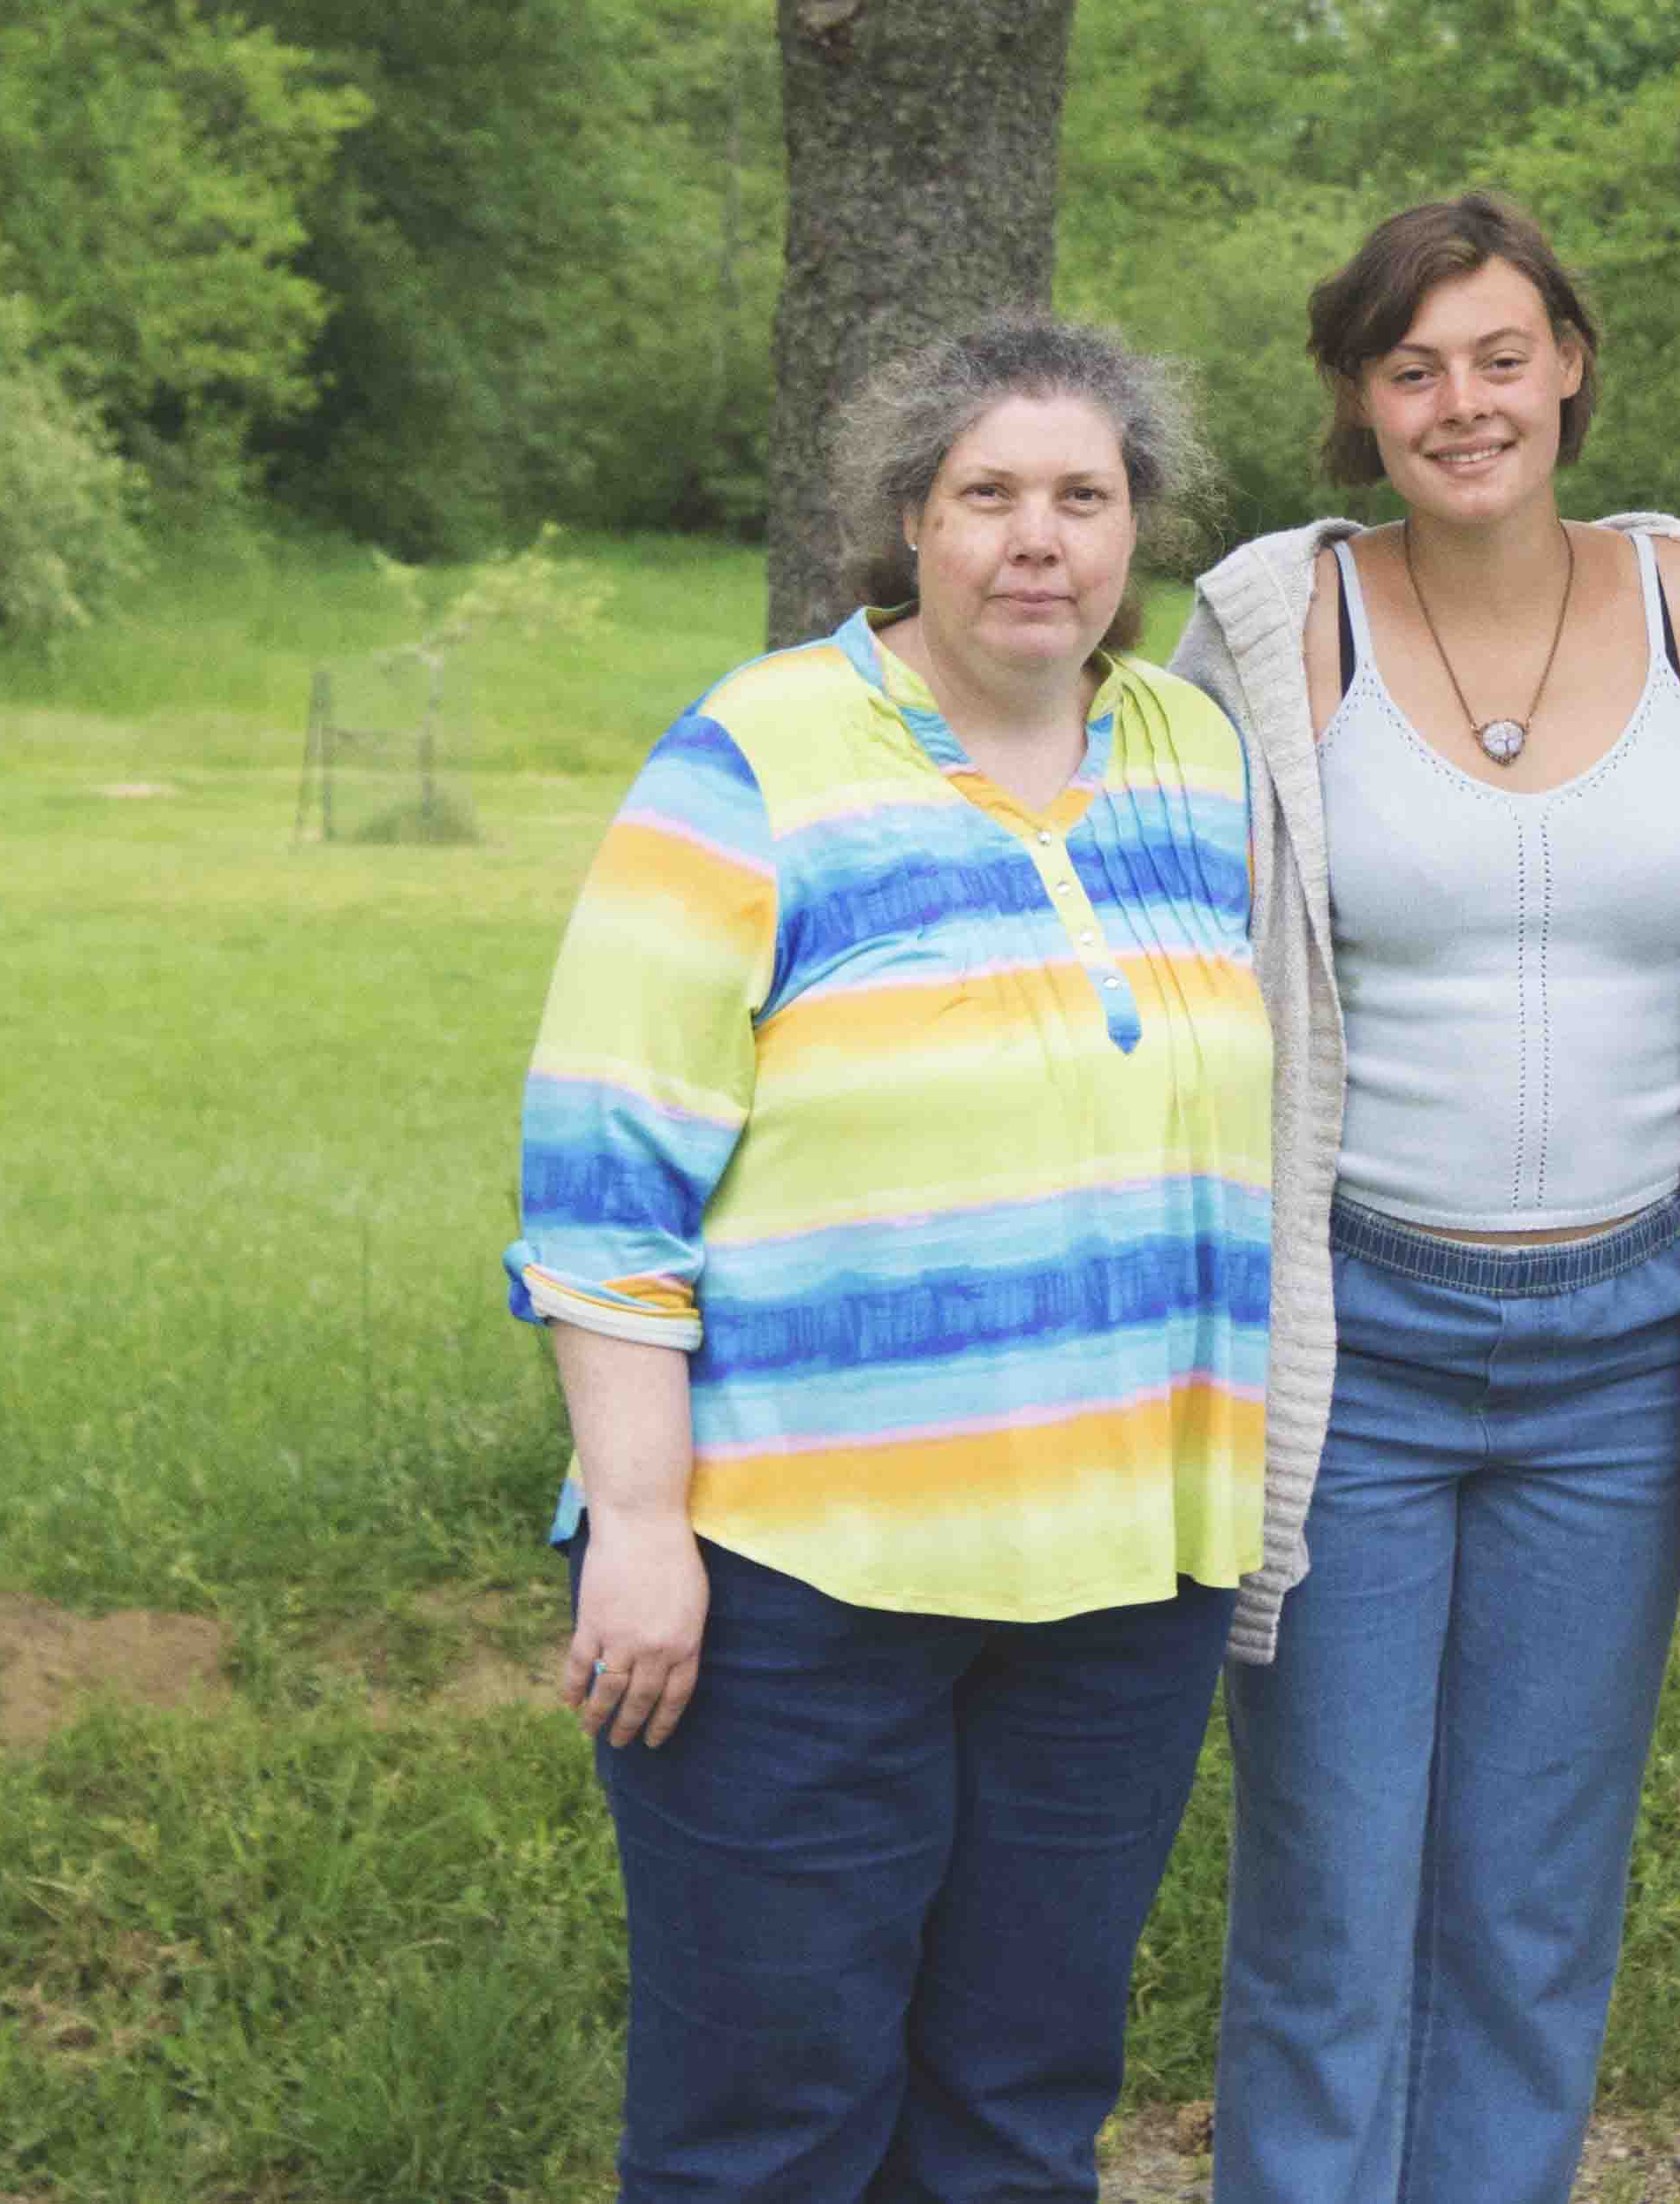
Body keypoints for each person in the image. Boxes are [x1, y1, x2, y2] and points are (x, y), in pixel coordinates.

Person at [506, 316, 1269, 2204]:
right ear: (907, 521)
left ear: (1134, 529)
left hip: (1116, 1574)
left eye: (1081, 495)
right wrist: (640, 1520)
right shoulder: (754, 752)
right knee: (767, 2123)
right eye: (987, 493)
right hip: (792, 1581)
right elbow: (602, 1178)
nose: (1038, 538)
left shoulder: (1192, 753)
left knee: (1017, 2113)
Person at [1164, 193, 1680, 2204]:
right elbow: (1170, 927)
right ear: (1356, 397)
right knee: (1332, 1906)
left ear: (1572, 362)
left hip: (1619, 1349)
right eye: (1411, 366)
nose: (1462, 401)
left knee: (1528, 1909)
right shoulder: (1277, 615)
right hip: (1357, 1341)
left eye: (1499, 355)